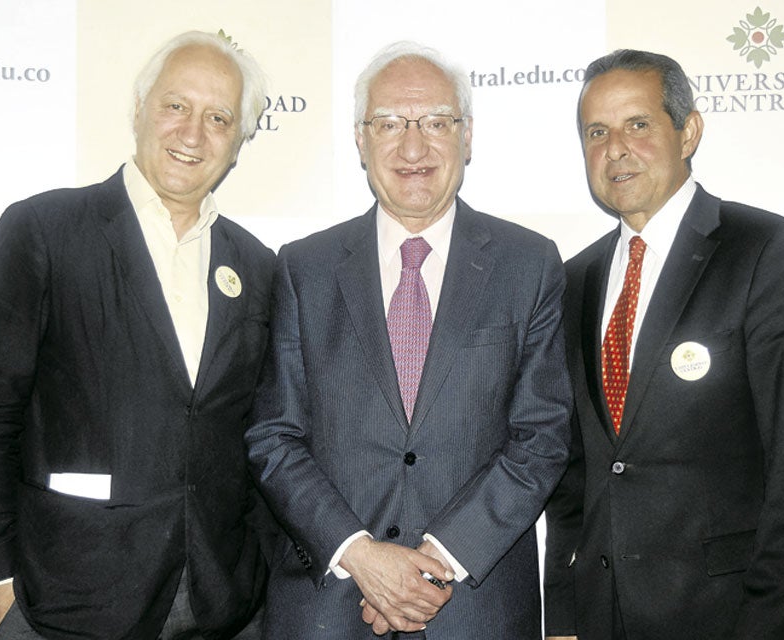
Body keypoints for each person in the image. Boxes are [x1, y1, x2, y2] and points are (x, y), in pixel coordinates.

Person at [0, 30, 275, 640]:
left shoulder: (256, 266)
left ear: (238, 142)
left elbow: (259, 435)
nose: (193, 133)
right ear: (140, 108)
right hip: (65, 602)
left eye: (219, 118)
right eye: (176, 105)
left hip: (222, 603)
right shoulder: (44, 230)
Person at [244, 41, 571, 639]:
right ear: (360, 141)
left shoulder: (529, 264)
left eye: (436, 122)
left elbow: (542, 438)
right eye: (390, 123)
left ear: (467, 137)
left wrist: (434, 563)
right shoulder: (303, 268)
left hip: (474, 611)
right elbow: (274, 436)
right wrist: (361, 556)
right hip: (328, 609)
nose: (413, 147)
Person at [543, 49, 784, 640]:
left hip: (738, 617)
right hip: (604, 617)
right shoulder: (573, 280)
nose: (615, 149)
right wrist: (564, 617)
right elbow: (572, 481)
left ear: (689, 132)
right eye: (596, 132)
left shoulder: (770, 252)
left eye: (637, 124)